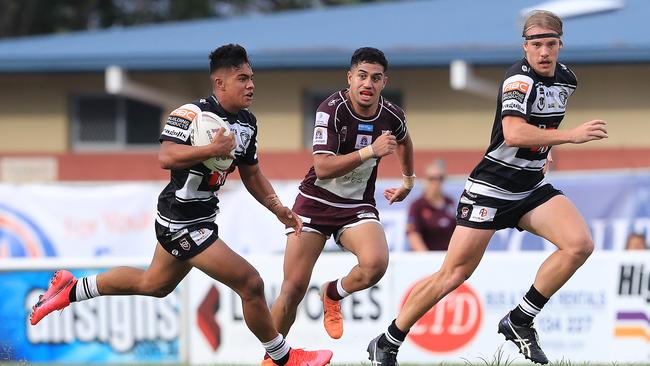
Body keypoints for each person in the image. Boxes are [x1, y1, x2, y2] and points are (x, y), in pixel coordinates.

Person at [29, 44, 332, 366]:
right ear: (220, 83)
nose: (251, 85)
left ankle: (70, 289)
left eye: (252, 78)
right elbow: (166, 157)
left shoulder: (247, 122)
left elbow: (252, 173)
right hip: (180, 220)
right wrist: (210, 148)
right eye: (242, 78)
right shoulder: (190, 114)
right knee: (251, 283)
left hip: (201, 218)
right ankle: (283, 359)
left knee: (155, 284)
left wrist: (278, 208)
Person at [367, 10, 608, 366]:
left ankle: (520, 319)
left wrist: (548, 149)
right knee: (454, 274)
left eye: (550, 44)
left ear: (561, 45)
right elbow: (513, 133)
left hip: (529, 188)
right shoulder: (518, 79)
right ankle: (387, 341)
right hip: (492, 188)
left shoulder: (567, 79)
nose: (543, 51)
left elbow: (540, 124)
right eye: (536, 44)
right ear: (525, 47)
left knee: (579, 245)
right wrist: (570, 136)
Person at [268, 47, 414, 349]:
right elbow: (322, 167)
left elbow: (404, 140)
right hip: (315, 202)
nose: (367, 84)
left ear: (384, 82)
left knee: (375, 264)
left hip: (356, 206)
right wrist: (370, 151)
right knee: (293, 288)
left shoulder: (392, 115)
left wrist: (408, 180)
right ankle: (272, 357)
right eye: (362, 76)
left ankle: (334, 292)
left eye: (375, 78)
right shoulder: (331, 108)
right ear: (350, 78)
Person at [406, 159, 456, 251]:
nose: (436, 183)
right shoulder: (417, 205)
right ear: (425, 179)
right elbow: (413, 234)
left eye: (440, 178)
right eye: (432, 178)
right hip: (426, 258)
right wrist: (427, 259)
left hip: (447, 258)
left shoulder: (450, 203)